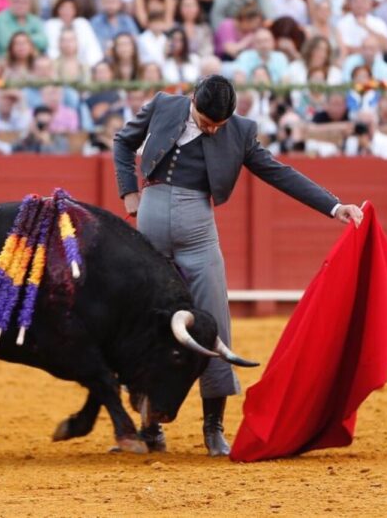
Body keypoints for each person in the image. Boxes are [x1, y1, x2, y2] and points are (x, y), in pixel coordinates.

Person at [112, 74, 363, 456]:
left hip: (198, 236)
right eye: (206, 121)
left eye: (219, 124)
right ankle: (150, 428)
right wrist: (129, 191)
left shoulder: (240, 132)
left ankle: (213, 426)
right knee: (151, 328)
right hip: (150, 234)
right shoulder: (163, 105)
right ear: (193, 98)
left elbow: (279, 173)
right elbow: (122, 141)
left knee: (214, 325)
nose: (213, 129)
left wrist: (333, 205)